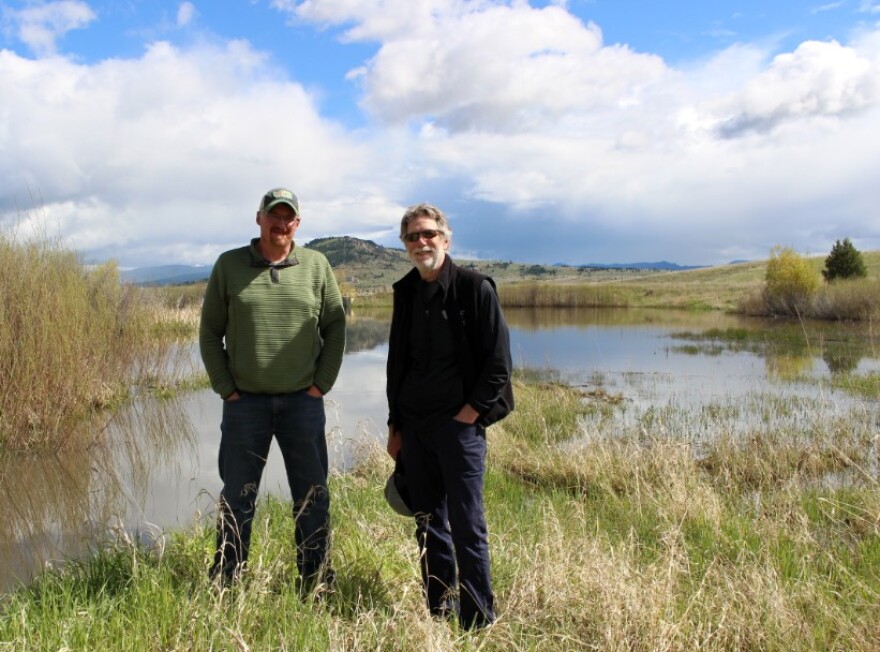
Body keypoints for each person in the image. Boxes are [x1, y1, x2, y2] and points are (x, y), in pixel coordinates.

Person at [199, 187, 346, 590]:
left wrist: (321, 385)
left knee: (312, 496)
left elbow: (335, 326)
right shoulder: (229, 266)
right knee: (237, 497)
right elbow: (210, 333)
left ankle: (316, 581)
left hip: (303, 402)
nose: (281, 223)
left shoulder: (316, 266)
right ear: (259, 217)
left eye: (289, 217)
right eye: (273, 215)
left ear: (297, 223)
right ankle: (227, 582)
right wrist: (226, 388)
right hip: (245, 405)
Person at [386, 203, 514, 629]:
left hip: (459, 430)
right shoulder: (406, 292)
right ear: (404, 244)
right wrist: (395, 425)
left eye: (428, 234)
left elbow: (498, 366)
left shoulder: (475, 289)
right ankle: (439, 613)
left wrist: (467, 416)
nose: (422, 243)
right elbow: (397, 364)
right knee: (427, 524)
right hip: (415, 429)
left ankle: (478, 620)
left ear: (446, 237)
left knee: (467, 525)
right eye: (412, 237)